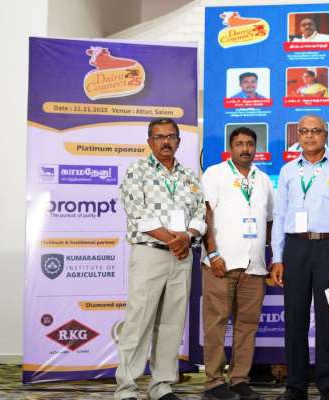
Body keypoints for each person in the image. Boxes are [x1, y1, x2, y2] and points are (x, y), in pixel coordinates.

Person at [270, 114, 329, 400]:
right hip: (295, 248)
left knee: (328, 317)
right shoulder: (288, 170)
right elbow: (279, 215)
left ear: (325, 135)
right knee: (295, 317)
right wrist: (277, 257)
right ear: (298, 136)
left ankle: (328, 384)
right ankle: (295, 385)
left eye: (316, 131)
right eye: (304, 131)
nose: (309, 136)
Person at [115, 118, 206, 400]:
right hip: (150, 253)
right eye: (159, 137)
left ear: (179, 141)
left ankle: (161, 385)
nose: (165, 142)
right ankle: (126, 388)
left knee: (172, 323)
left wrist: (187, 236)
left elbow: (200, 215)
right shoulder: (137, 171)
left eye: (170, 136)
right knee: (138, 321)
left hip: (181, 257)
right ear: (149, 142)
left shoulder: (189, 177)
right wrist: (173, 239)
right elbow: (138, 214)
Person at [201, 127, 274, 400]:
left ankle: (239, 379)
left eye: (250, 144)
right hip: (221, 263)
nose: (245, 149)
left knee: (247, 326)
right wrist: (212, 253)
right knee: (215, 324)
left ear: (256, 148)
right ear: (230, 148)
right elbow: (206, 214)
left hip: (254, 266)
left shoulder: (263, 180)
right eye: (240, 144)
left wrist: (271, 256)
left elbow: (270, 221)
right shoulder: (215, 174)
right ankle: (213, 383)